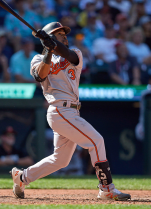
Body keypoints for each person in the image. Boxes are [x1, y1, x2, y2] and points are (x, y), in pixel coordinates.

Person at [10, 22, 131, 201]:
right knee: (96, 141)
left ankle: (22, 177)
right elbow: (40, 75)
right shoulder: (37, 59)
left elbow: (66, 54)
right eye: (59, 34)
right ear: (49, 37)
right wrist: (48, 49)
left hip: (72, 112)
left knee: (61, 160)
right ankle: (106, 188)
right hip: (59, 110)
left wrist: (53, 44)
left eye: (64, 34)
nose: (65, 36)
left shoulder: (75, 54)